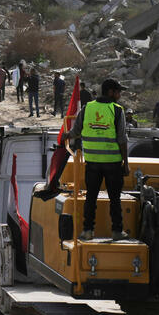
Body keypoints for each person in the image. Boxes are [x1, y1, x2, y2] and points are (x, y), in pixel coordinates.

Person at [62, 78, 130, 241]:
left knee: (91, 197)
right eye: (118, 91)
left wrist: (67, 135)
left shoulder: (87, 108)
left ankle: (87, 231)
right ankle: (116, 231)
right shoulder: (117, 110)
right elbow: (122, 140)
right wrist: (125, 164)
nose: (120, 95)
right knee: (115, 199)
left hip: (92, 162)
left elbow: (76, 130)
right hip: (112, 163)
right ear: (111, 92)